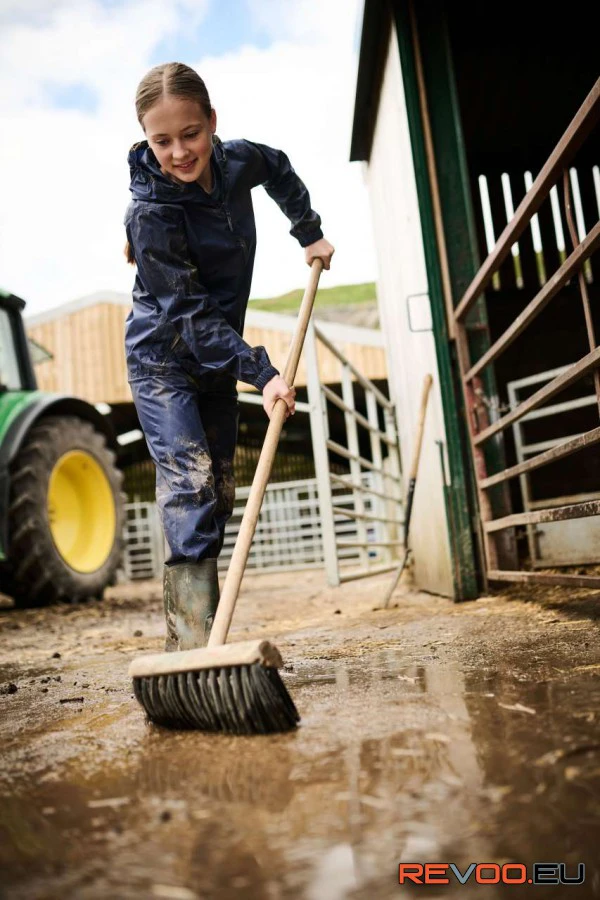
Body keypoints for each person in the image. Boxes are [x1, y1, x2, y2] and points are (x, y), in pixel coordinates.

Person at [124, 62, 334, 652]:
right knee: (189, 484)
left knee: (217, 490)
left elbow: (280, 168)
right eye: (161, 141)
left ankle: (204, 641)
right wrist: (263, 373)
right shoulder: (150, 215)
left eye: (190, 134)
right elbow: (188, 316)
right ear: (146, 139)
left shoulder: (238, 160)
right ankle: (191, 651)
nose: (179, 152)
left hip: (217, 354)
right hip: (163, 359)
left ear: (212, 123)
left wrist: (308, 230)